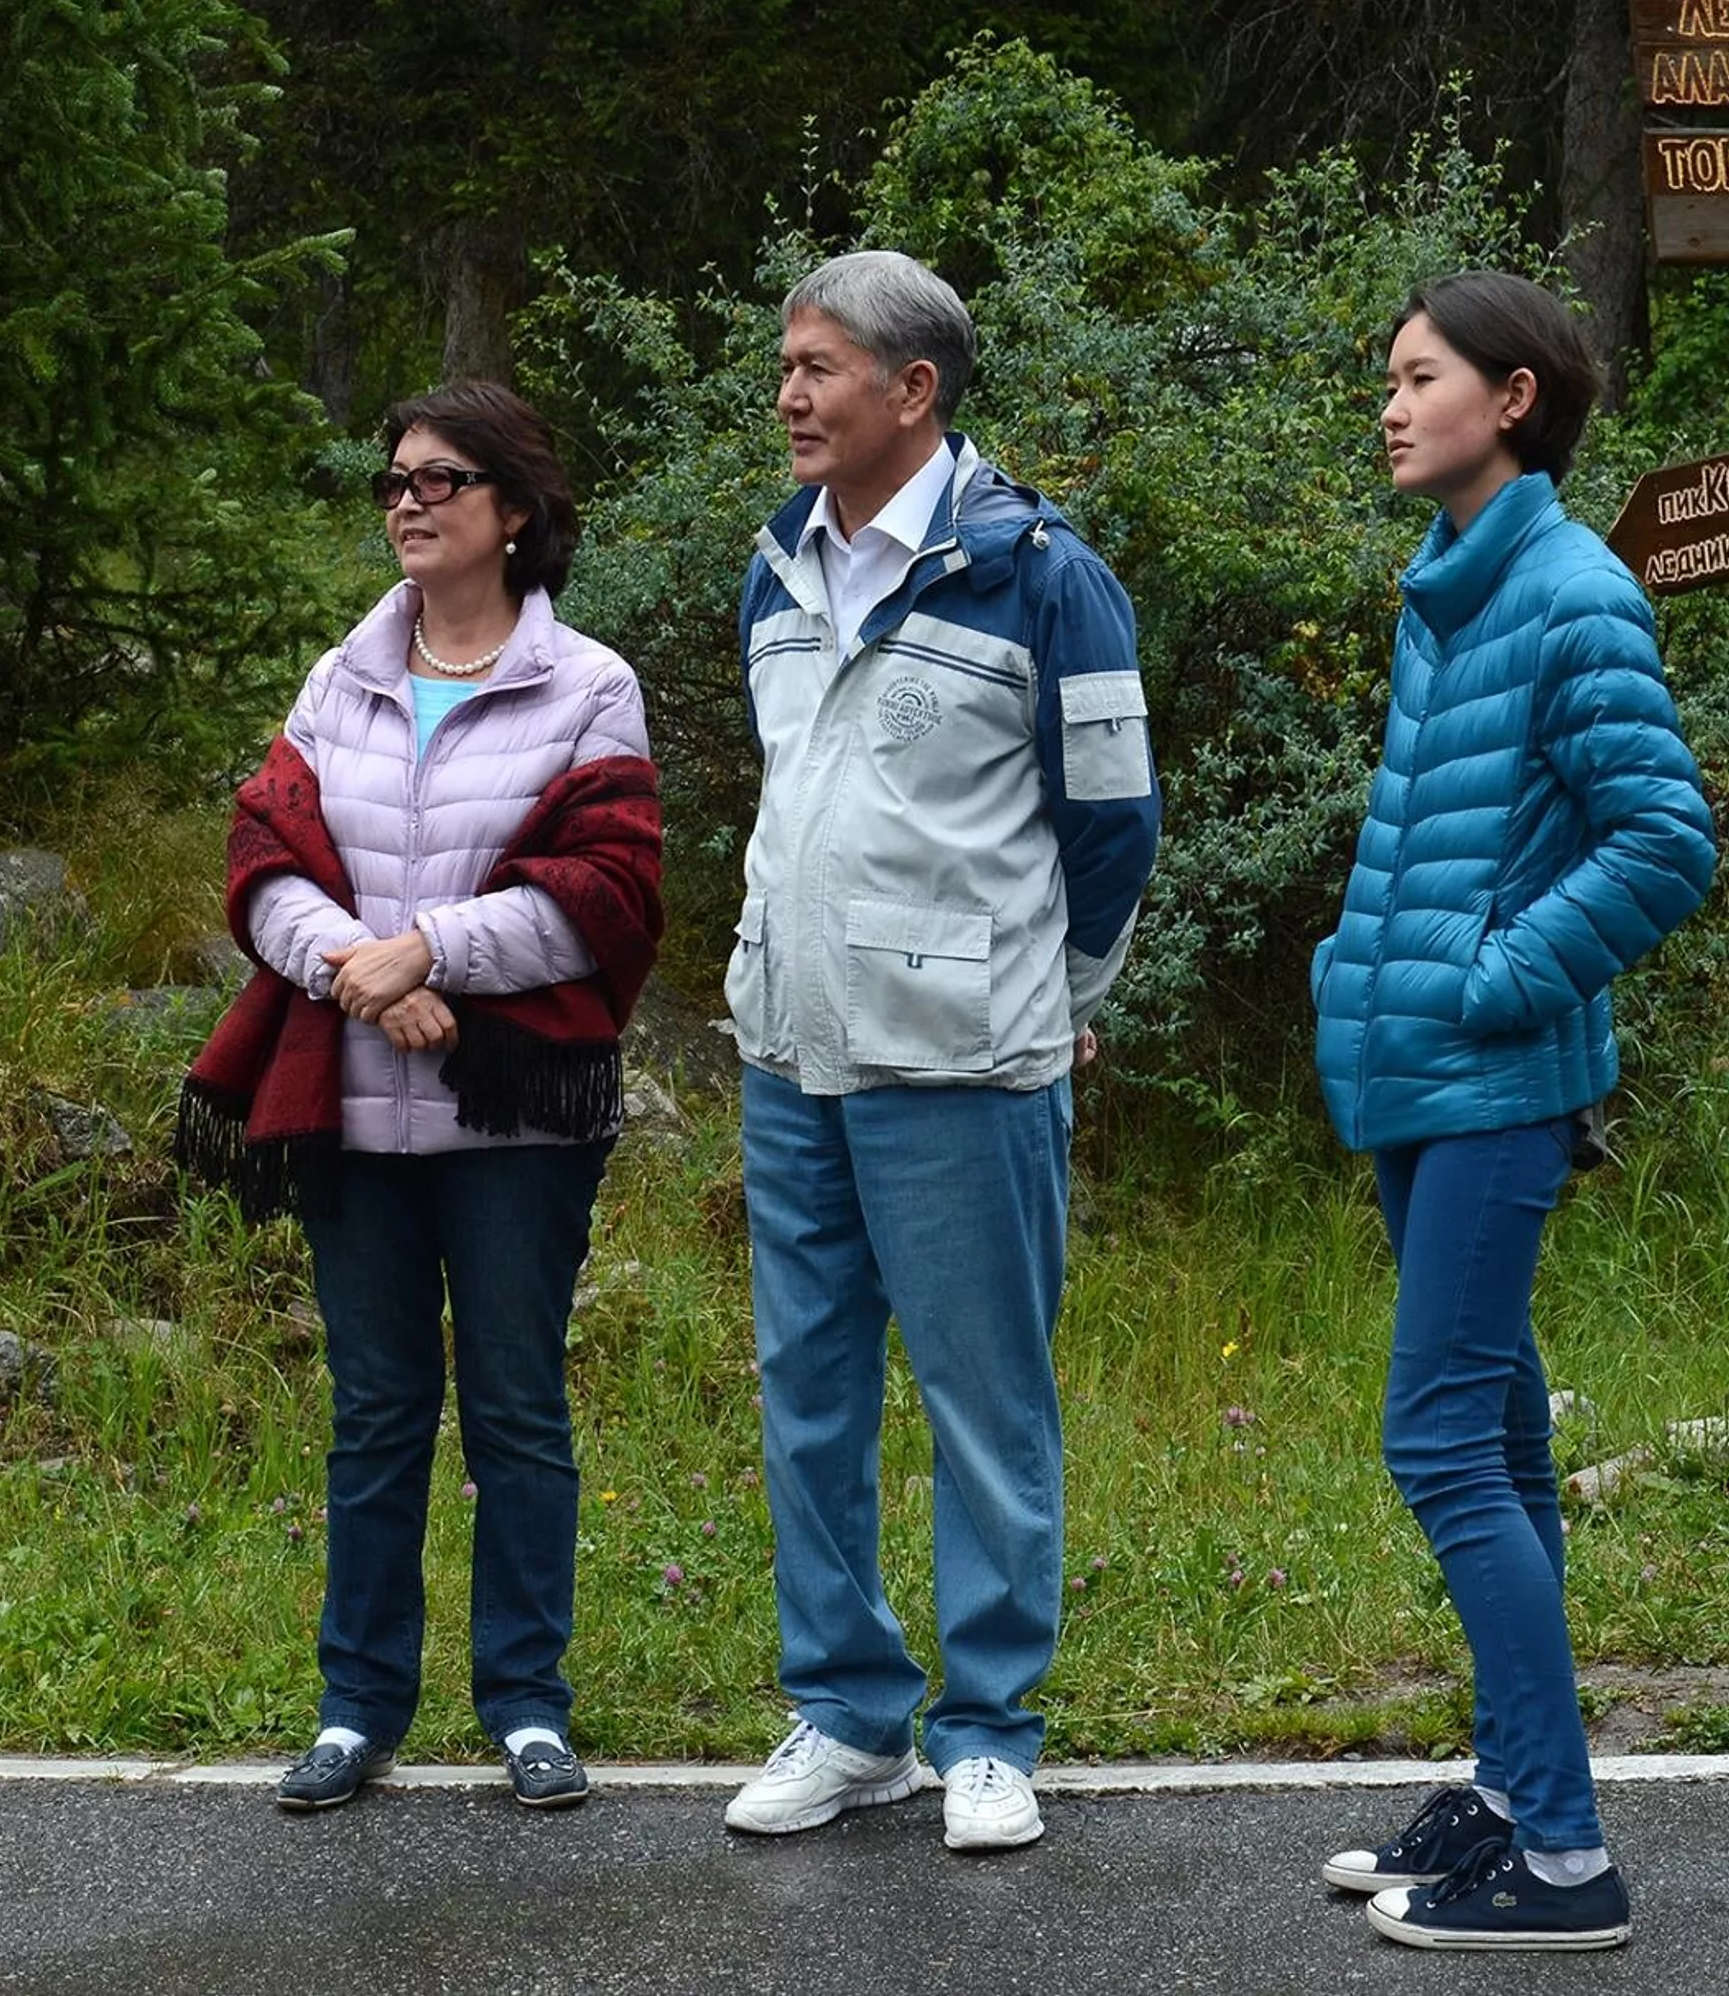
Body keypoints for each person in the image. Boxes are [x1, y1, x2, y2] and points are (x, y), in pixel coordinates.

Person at [720, 251, 1160, 1853]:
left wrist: (1060, 991)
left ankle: (988, 1729)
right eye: (786, 365)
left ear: (914, 389)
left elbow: (1114, 823)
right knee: (808, 1397)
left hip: (966, 1062)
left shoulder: (1040, 574)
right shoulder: (776, 565)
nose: (789, 395)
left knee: (985, 1400)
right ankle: (850, 1717)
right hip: (792, 1050)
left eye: (818, 366)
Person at [176, 382, 663, 1815]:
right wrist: (366, 976)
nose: (407, 500)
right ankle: (357, 1706)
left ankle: (528, 1703)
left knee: (515, 1405)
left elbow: (607, 895)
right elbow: (264, 862)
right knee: (377, 1412)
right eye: (395, 479)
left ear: (514, 510)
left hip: (515, 1120)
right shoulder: (341, 677)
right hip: (353, 1106)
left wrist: (430, 948)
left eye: (440, 479)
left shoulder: (590, 687)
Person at [1312, 271, 1715, 1950]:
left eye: (1421, 377)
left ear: (1514, 398)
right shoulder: (1454, 584)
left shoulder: (1570, 593)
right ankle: (1508, 1789)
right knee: (1499, 1438)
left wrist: (1493, 978)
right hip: (1420, 1070)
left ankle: (1563, 1861)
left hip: (1489, 1080)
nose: (1392, 405)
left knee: (1438, 1439)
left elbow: (1667, 840)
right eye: (1391, 379)